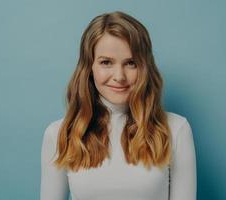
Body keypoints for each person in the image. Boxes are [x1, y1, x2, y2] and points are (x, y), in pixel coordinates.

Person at [40, 11, 197, 200]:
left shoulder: (176, 129)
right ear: (89, 67)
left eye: (131, 63)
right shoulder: (58, 134)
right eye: (106, 62)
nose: (119, 76)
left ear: (145, 67)